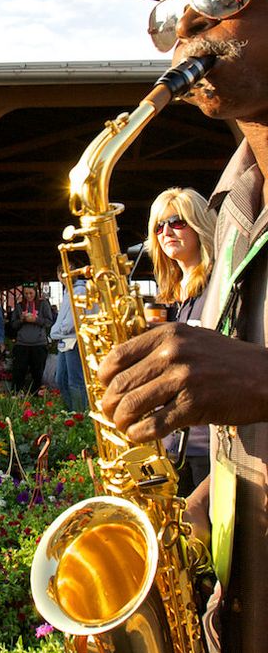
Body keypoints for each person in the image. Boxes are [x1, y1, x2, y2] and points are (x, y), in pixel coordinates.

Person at [100, 0, 268, 653]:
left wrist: (259, 380)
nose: (187, 33)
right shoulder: (233, 205)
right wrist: (168, 537)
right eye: (170, 13)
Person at [147, 188, 217, 496]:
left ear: (199, 224)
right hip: (169, 442)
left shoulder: (219, 287)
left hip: (207, 446)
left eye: (177, 222)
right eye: (158, 227)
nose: (166, 232)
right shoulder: (170, 299)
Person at [50, 265, 88, 412]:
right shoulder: (67, 292)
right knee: (61, 378)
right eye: (61, 272)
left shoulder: (79, 291)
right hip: (65, 340)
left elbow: (74, 318)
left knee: (75, 380)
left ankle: (79, 414)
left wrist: (59, 331)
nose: (63, 275)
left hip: (74, 340)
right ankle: (71, 410)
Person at [10, 282, 53, 394]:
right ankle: (17, 395)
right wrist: (22, 320)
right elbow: (13, 324)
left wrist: (36, 320)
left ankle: (37, 396)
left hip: (38, 344)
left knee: (38, 373)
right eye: (26, 293)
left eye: (31, 293)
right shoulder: (19, 305)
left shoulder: (43, 304)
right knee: (19, 372)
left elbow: (49, 322)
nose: (28, 296)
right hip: (22, 344)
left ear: (35, 292)